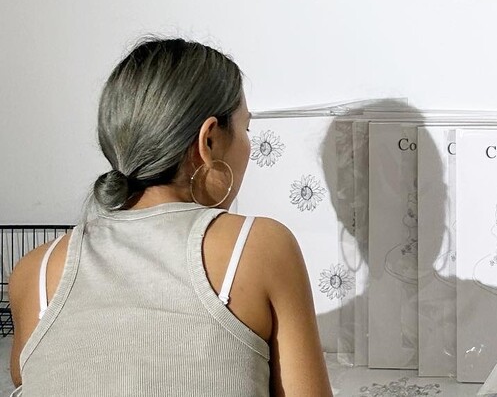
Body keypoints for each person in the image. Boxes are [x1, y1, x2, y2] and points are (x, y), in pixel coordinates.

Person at [8, 37, 333, 397]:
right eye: (246, 129)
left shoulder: (34, 272)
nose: (248, 145)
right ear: (209, 140)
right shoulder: (258, 246)